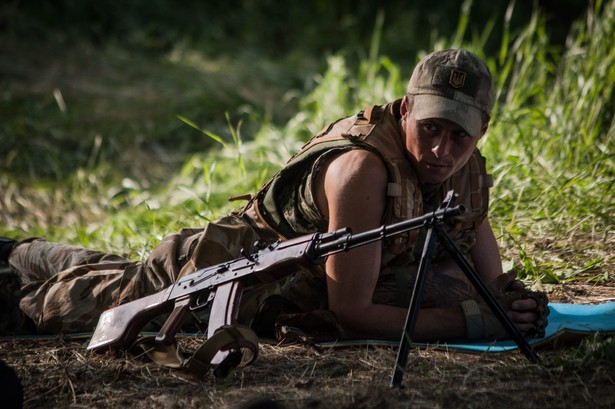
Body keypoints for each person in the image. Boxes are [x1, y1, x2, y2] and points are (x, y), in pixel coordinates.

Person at [0, 49, 548, 343]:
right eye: (430, 128)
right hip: (222, 271)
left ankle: (20, 249)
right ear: (405, 111)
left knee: (106, 271)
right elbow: (352, 312)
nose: (442, 149)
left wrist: (515, 307)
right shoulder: (362, 171)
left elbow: (487, 279)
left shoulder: (465, 168)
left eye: (459, 135)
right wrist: (474, 321)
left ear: (482, 132)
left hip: (283, 280)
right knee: (66, 307)